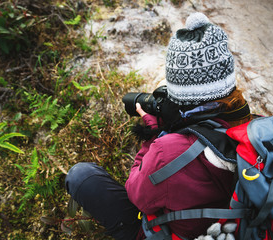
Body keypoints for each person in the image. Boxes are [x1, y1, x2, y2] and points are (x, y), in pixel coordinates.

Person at [65, 12, 253, 240]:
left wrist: (153, 136)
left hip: (178, 233)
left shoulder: (168, 151)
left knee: (81, 176)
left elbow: (135, 193)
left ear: (180, 94)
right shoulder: (253, 130)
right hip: (236, 228)